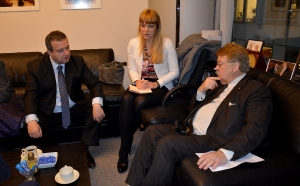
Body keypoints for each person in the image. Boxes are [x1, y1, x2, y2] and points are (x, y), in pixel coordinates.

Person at [125, 43, 273, 185]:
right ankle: (133, 183)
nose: (215, 68)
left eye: (220, 64)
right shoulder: (221, 86)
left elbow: (255, 128)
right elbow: (193, 110)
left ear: (235, 66)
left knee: (167, 145)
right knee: (151, 132)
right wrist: (200, 91)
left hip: (210, 139)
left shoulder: (255, 90)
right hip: (190, 129)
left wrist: (224, 153)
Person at [24, 30, 105, 169]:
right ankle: (50, 149)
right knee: (34, 122)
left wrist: (97, 104)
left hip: (73, 106)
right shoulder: (35, 66)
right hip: (49, 110)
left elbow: (94, 82)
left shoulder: (77, 61)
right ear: (49, 52)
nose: (66, 53)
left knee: (97, 106)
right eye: (60, 50)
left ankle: (83, 149)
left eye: (67, 47)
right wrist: (31, 120)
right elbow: (30, 93)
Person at [117, 9, 179, 173]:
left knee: (140, 101)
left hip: (161, 86)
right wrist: (137, 81)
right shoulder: (133, 43)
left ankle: (126, 142)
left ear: (157, 26)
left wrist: (156, 84)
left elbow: (175, 72)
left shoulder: (166, 43)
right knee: (127, 99)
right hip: (141, 82)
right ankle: (124, 150)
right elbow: (131, 67)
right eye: (143, 25)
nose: (146, 30)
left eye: (150, 26)